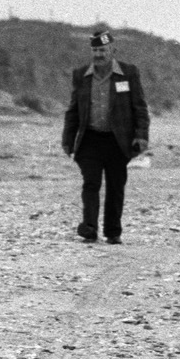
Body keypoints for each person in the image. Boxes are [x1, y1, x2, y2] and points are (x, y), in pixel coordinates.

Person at [61, 29, 150, 244]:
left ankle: (113, 232)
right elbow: (73, 109)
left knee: (115, 185)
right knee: (90, 183)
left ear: (113, 50)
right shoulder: (81, 75)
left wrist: (141, 136)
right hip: (90, 139)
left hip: (117, 140)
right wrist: (68, 139)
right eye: (95, 50)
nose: (98, 54)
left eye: (103, 50)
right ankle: (89, 227)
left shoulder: (128, 73)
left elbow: (140, 107)